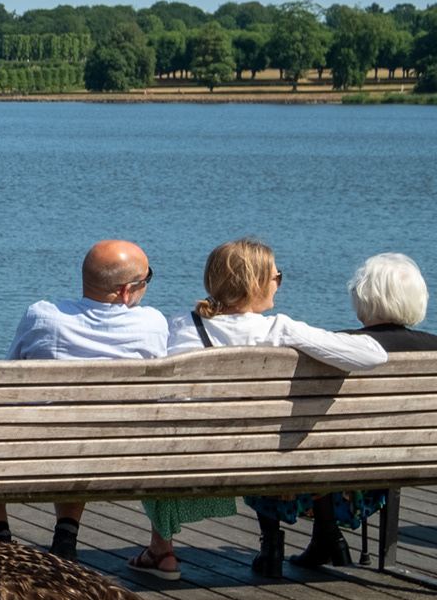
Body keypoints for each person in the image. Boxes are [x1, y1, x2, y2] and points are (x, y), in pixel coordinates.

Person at [145, 238, 388, 578]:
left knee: (166, 434)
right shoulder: (280, 329)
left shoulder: (179, 326)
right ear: (255, 283)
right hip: (268, 455)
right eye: (277, 276)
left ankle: (161, 549)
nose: (279, 283)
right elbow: (373, 354)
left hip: (193, 456)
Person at [237, 253, 436, 569]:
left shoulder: (343, 347)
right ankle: (327, 539)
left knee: (297, 442)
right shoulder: (433, 347)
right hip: (407, 460)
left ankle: (280, 544)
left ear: (363, 299)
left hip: (339, 462)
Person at [0, 239, 167, 561]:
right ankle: (65, 537)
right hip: (124, 455)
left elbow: (9, 381)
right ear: (126, 291)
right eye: (146, 280)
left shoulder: (42, 316)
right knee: (85, 430)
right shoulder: (153, 323)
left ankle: (0, 539)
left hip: (44, 451)